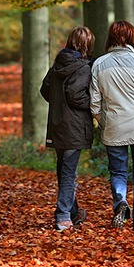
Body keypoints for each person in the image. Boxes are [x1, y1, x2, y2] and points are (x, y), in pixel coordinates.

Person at [90, 21, 134, 230]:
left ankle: (120, 201)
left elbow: (94, 103)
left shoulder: (99, 64)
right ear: (132, 38)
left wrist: (104, 122)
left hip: (114, 126)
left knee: (118, 172)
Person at [40, 26, 96, 231]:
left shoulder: (57, 65)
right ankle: (63, 216)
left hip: (57, 123)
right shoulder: (84, 67)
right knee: (69, 172)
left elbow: (44, 88)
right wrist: (92, 104)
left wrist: (57, 103)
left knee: (63, 170)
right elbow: (75, 94)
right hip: (74, 126)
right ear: (87, 45)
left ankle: (73, 212)